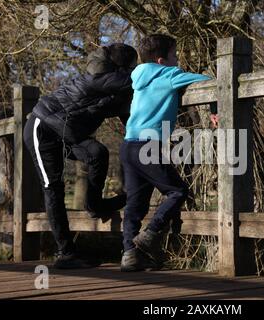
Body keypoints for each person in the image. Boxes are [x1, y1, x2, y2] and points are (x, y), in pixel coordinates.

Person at [23, 43, 137, 269]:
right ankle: (65, 252)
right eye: (134, 66)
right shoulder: (99, 78)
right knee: (53, 187)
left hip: (66, 134)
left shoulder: (116, 89)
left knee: (97, 153)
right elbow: (139, 82)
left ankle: (94, 205)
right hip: (42, 129)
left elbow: (129, 119)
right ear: (122, 67)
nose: (137, 70)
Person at [119, 34, 218, 271]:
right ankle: (149, 235)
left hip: (128, 145)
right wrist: (215, 108)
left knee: (135, 204)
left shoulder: (137, 77)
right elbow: (210, 81)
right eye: (174, 55)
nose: (178, 60)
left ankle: (129, 255)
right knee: (177, 191)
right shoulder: (168, 74)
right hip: (148, 145)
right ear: (162, 60)